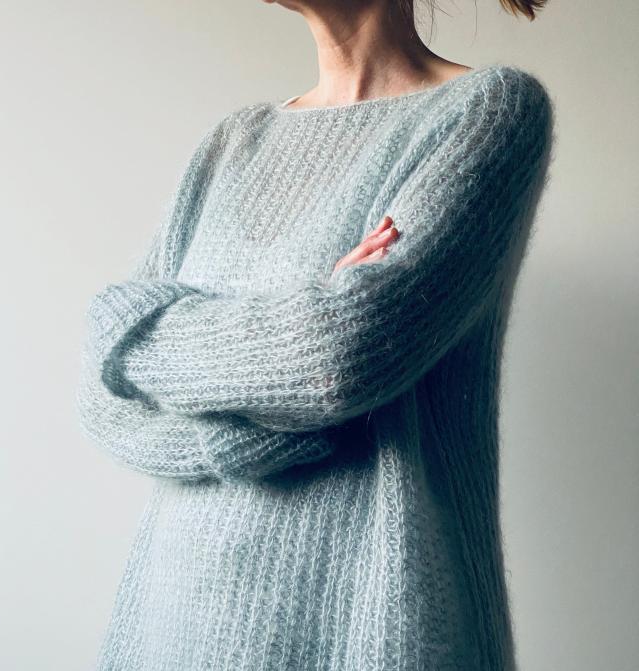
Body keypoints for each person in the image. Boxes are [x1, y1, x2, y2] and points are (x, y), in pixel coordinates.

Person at [76, 0, 554, 669]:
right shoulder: (232, 143)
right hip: (172, 622)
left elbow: (335, 358)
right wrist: (258, 415)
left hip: (372, 622)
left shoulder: (486, 111)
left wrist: (158, 338)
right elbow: (105, 391)